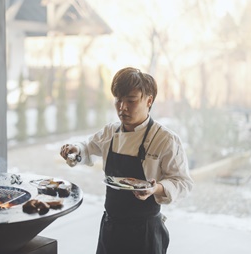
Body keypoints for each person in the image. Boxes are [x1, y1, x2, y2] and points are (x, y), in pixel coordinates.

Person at [60, 67, 193, 254]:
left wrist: (155, 188)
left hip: (145, 232)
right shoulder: (111, 132)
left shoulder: (165, 139)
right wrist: (76, 149)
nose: (122, 107)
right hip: (111, 228)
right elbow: (88, 146)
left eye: (130, 100)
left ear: (149, 100)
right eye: (118, 100)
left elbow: (182, 182)